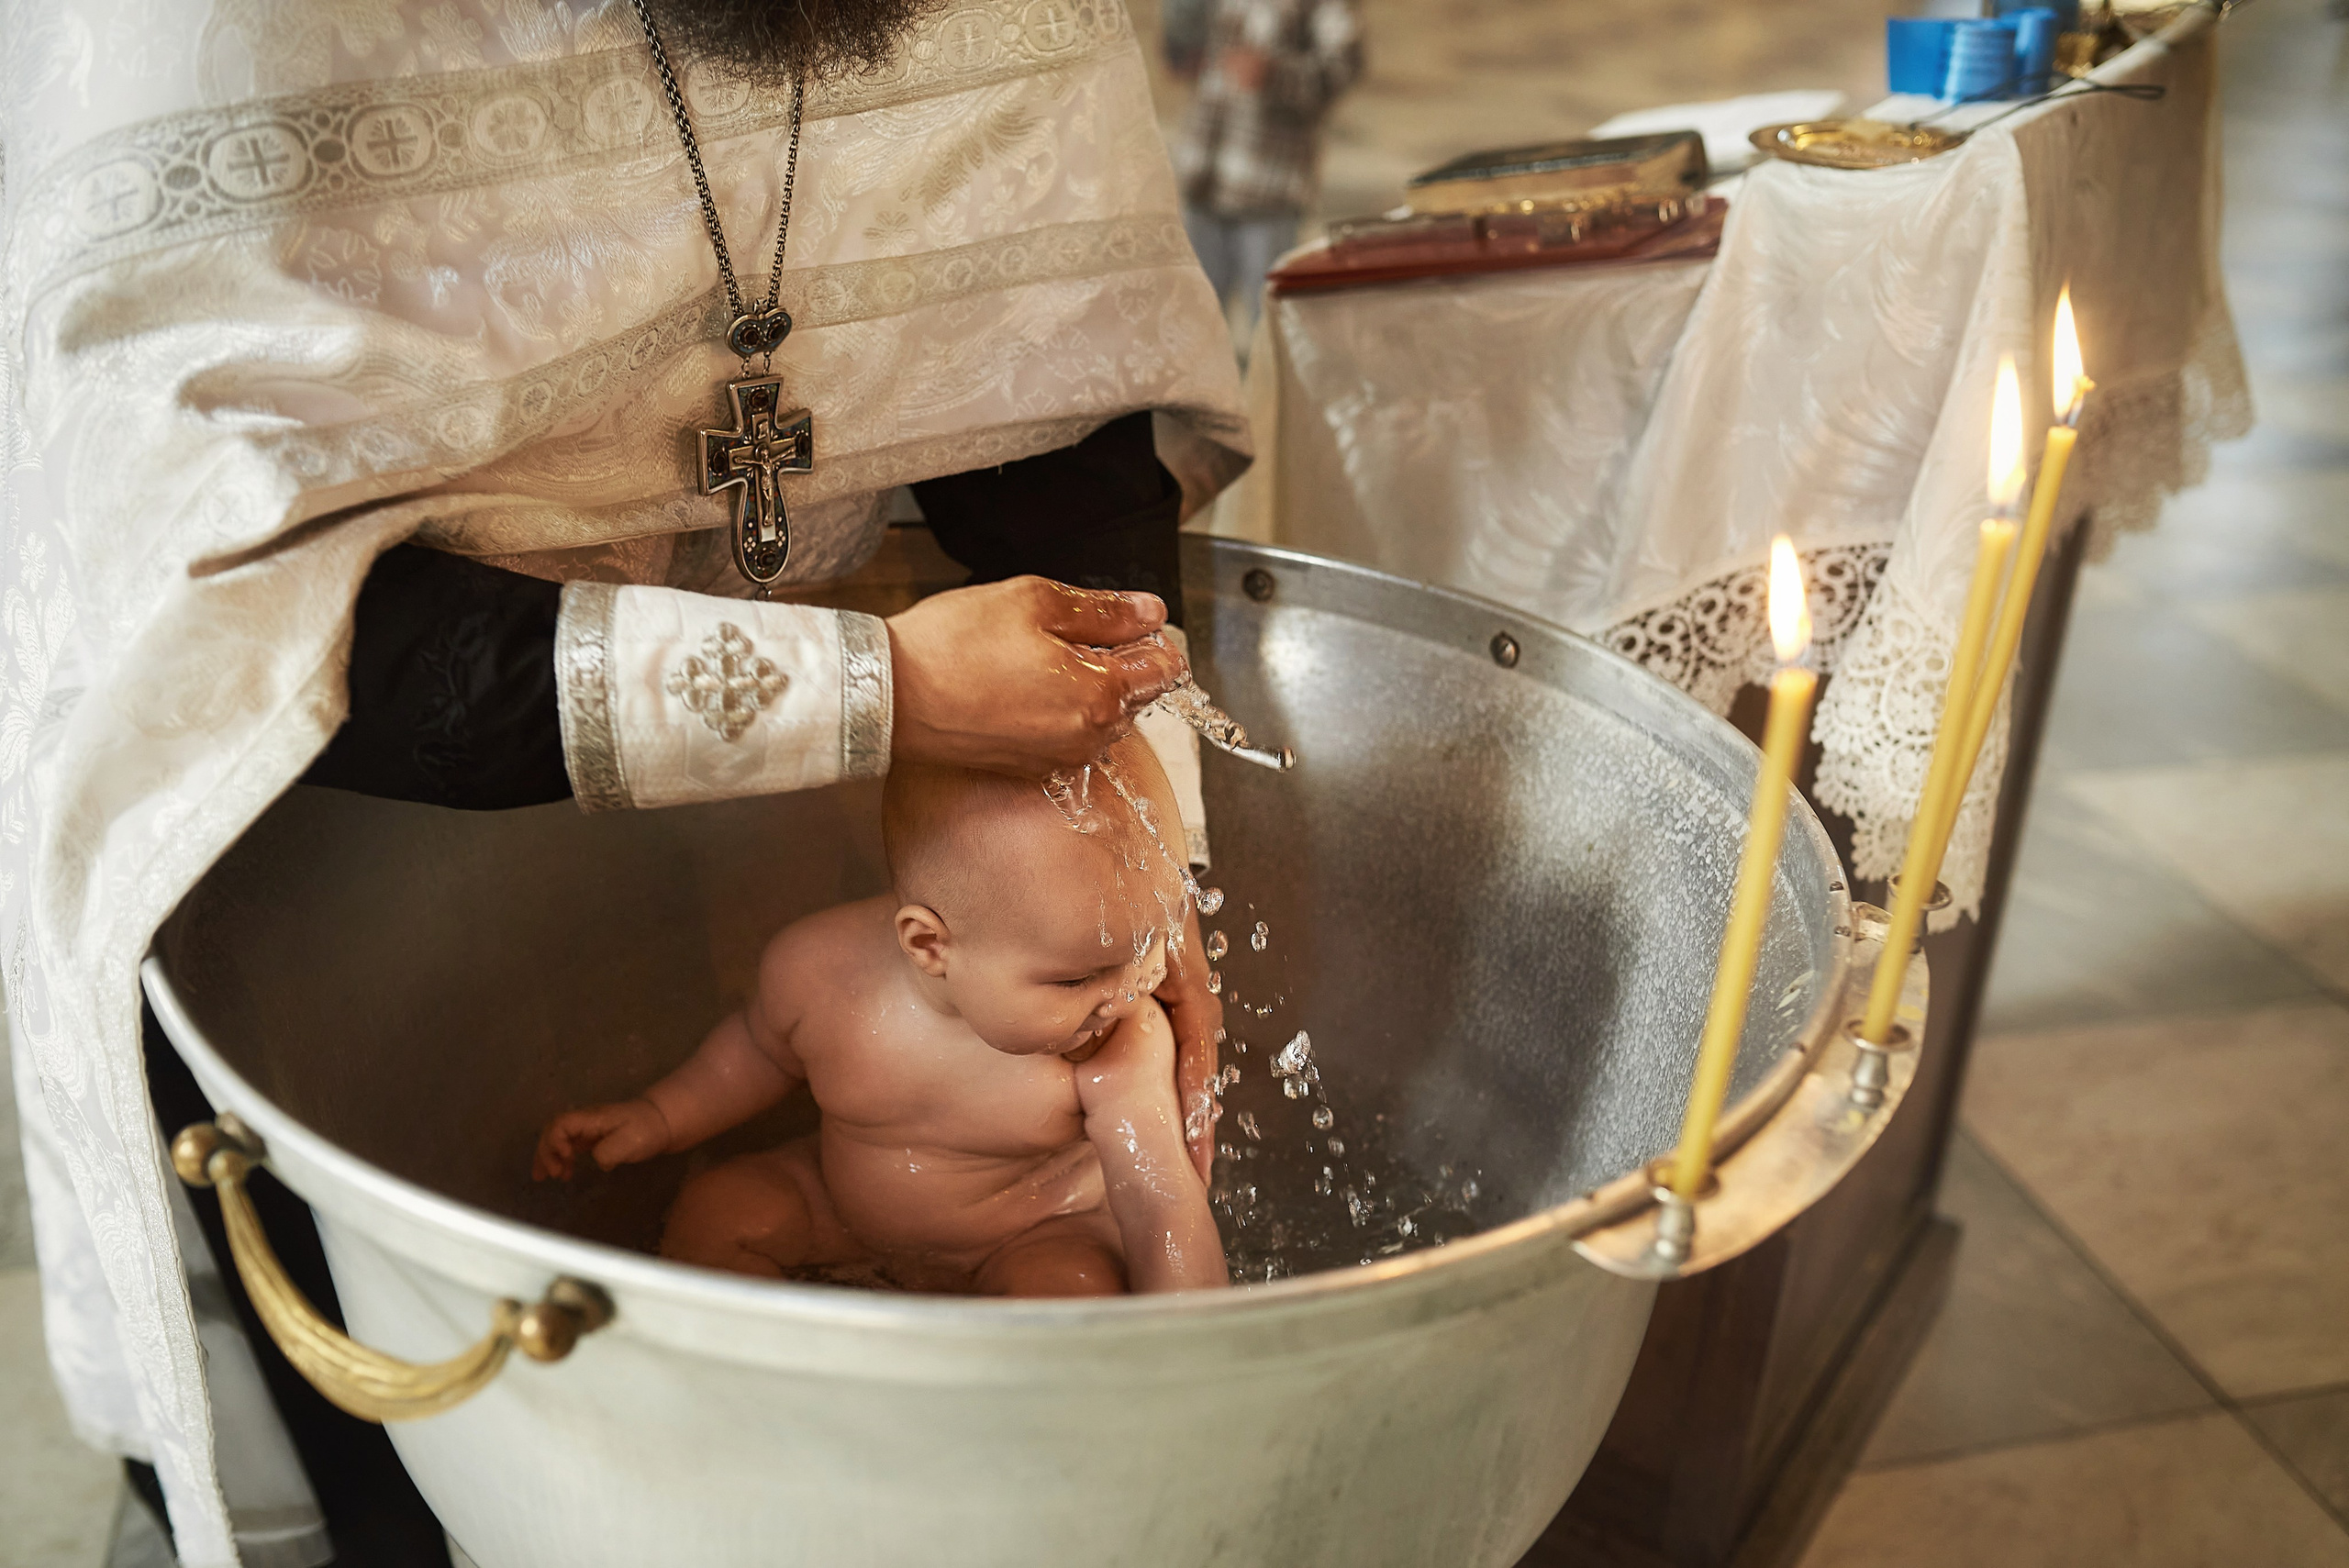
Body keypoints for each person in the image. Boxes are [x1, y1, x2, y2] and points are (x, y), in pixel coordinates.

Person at [2, 0, 1251, 1561]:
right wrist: (883, 689)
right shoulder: (206, 37)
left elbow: (1045, 358)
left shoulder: (1084, 1042)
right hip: (338, 812)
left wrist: (1154, 857)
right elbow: (187, 602)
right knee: (404, 1460)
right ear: (921, 941)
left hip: (1008, 1229)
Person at [533, 735, 1227, 1296]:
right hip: (842, 1210)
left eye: (1151, 940)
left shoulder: (1118, 1042)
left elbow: (1160, 1198)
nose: (1135, 987)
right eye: (1080, 975)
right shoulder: (818, 975)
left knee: (1069, 1297)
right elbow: (753, 1052)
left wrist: (1190, 1339)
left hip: (1039, 1233)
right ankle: (784, 1382)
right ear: (930, 944)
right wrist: (662, 1115)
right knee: (719, 1209)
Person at [1169, 0, 1365, 340]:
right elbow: (1186, 44)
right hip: (1204, 175)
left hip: (1268, 186)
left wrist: (1276, 74)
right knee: (1193, 327)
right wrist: (1180, 50)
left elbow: (1343, 68)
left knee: (1271, 329)